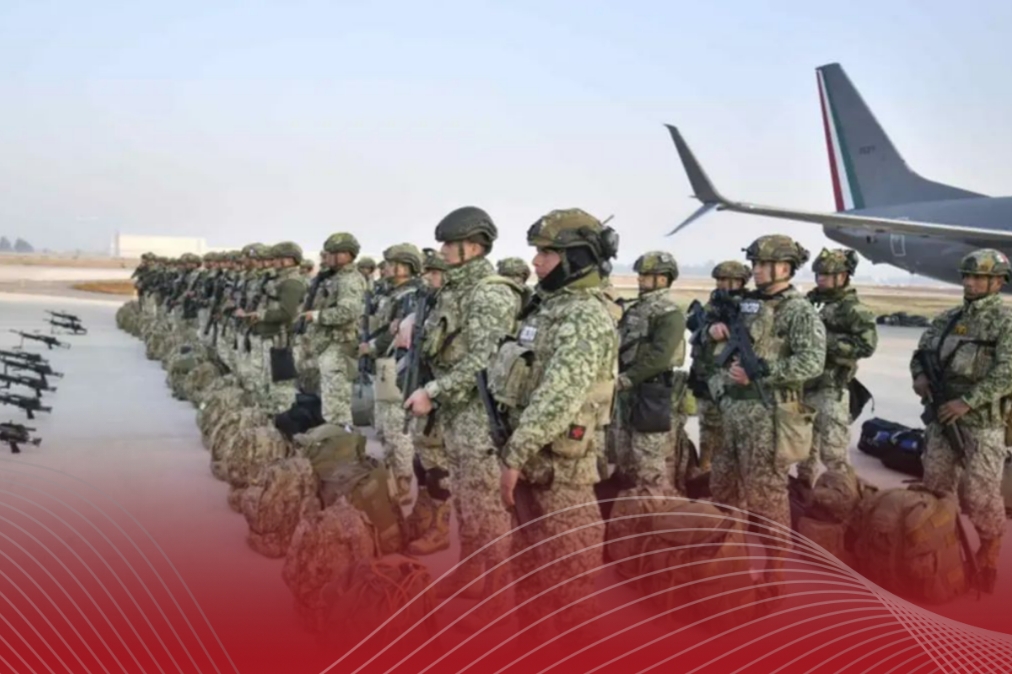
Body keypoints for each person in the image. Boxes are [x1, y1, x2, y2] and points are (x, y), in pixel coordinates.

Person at [488, 207, 619, 632]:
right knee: (530, 573)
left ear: (576, 258)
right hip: (534, 465)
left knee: (569, 575)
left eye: (547, 253)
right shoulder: (547, 308)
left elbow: (558, 396)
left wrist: (514, 456)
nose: (536, 261)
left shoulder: (583, 315)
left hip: (562, 472)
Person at [403, 206, 524, 598]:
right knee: (466, 503)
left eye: (449, 244)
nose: (442, 250)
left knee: (487, 508)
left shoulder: (489, 293)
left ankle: (497, 593)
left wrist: (434, 392)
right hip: (456, 414)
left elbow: (483, 361)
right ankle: (470, 574)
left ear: (472, 247)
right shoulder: (454, 290)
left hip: (478, 415)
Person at [706, 234, 825, 598]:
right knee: (724, 488)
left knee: (767, 497)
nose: (755, 271)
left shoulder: (798, 310)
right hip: (733, 412)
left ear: (784, 268)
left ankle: (775, 572)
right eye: (755, 264)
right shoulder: (747, 303)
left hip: (768, 414)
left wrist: (764, 371)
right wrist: (713, 330)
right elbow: (713, 320)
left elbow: (812, 361)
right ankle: (732, 562)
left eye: (763, 265)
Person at [910, 248, 1012, 594]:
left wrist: (967, 402)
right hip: (942, 417)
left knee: (980, 494)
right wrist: (920, 376)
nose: (969, 283)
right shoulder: (947, 319)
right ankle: (944, 545)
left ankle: (989, 554)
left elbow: (1007, 373)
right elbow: (921, 354)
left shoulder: (1005, 322)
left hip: (982, 422)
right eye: (967, 276)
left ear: (998, 282)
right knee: (936, 487)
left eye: (979, 277)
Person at [799, 248, 878, 487]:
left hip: (831, 388)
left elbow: (866, 345)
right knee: (803, 451)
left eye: (827, 274)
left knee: (834, 453)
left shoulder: (853, 309)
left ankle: (843, 495)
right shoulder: (808, 303)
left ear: (842, 276)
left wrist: (825, 342)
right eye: (819, 274)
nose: (821, 278)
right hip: (803, 386)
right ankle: (803, 492)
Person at [614, 251, 687, 488]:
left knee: (649, 462)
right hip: (628, 393)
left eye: (646, 275)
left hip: (651, 394)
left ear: (663, 279)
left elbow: (660, 357)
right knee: (626, 459)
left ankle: (655, 505)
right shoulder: (635, 309)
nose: (640, 279)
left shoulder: (670, 314)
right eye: (641, 274)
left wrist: (626, 379)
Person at [363, 243, 424, 503]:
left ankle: (403, 481)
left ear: (406, 266)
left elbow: (400, 335)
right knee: (383, 426)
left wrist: (372, 346)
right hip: (384, 366)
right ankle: (392, 478)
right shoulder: (389, 293)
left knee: (396, 428)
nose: (386, 268)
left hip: (397, 367)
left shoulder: (412, 296)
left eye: (391, 263)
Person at [687, 260, 752, 478]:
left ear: (740, 282)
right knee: (707, 425)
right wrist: (708, 330)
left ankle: (726, 473)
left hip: (730, 379)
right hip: (705, 374)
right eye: (720, 280)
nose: (722, 284)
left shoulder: (748, 307)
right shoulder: (712, 305)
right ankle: (705, 468)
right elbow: (696, 331)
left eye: (727, 280)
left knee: (729, 430)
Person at [300, 233, 366, 426]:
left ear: (346, 255)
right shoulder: (334, 277)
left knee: (336, 403)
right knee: (329, 399)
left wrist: (317, 316)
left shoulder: (349, 279)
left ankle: (340, 438)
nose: (326, 257)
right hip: (328, 344)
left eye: (332, 253)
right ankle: (334, 437)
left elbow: (348, 312)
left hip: (339, 345)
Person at [236, 242, 307, 414]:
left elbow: (287, 313)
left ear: (289, 260)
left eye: (277, 258)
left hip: (281, 340)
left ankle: (283, 420)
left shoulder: (292, 282)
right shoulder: (276, 280)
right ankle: (267, 416)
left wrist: (260, 315)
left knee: (280, 387)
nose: (273, 261)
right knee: (263, 382)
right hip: (268, 336)